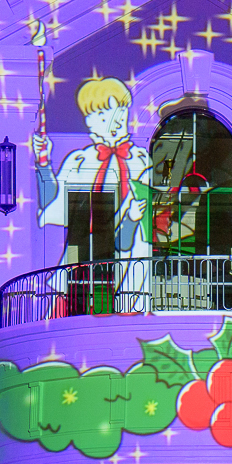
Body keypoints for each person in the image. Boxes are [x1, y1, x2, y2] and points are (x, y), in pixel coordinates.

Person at [33, 77, 153, 310]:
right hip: (84, 266)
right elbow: (54, 205)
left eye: (120, 114)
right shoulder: (79, 161)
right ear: (89, 121)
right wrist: (44, 163)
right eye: (104, 116)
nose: (115, 123)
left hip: (132, 265)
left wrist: (132, 218)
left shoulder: (142, 161)